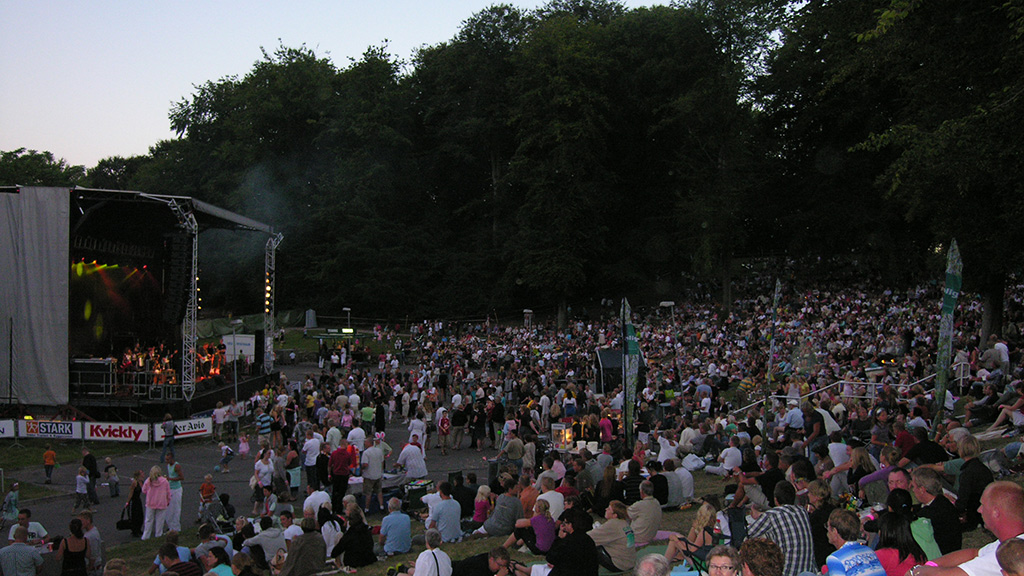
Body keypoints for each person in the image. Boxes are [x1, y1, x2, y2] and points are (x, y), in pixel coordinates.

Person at [915, 481, 1024, 576]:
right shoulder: (1011, 542)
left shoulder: (1013, 555)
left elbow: (949, 574)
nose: (979, 510)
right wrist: (930, 565)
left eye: (983, 505)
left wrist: (916, 571)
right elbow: (975, 553)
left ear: (995, 512)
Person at [746, 482, 815, 576]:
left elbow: (748, 534)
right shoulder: (802, 511)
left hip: (787, 572)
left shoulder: (771, 515)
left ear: (776, 500)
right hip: (809, 571)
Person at [912, 467, 962, 556]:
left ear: (922, 489)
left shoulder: (931, 514)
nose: (913, 490)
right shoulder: (942, 501)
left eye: (914, 486)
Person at [825, 509, 885, 576]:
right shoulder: (869, 551)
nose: (827, 531)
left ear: (834, 531)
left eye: (827, 527)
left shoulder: (835, 559)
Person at [589, 500, 636, 573]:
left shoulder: (613, 524)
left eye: (609, 509)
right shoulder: (623, 522)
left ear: (615, 515)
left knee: (588, 546)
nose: (606, 509)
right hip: (630, 561)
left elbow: (588, 537)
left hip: (620, 565)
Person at [628, 480, 663, 546]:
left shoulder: (639, 505)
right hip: (651, 535)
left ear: (641, 492)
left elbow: (627, 514)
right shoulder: (656, 502)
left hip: (638, 537)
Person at [141, 466, 170, 541]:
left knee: (148, 520)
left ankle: (146, 536)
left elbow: (143, 490)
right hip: (162, 503)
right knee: (160, 521)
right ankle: (158, 535)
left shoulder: (148, 481)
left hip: (150, 503)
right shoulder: (165, 481)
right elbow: (168, 492)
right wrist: (168, 501)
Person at [361, 437, 386, 514]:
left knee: (368, 493)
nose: (364, 444)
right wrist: (381, 471)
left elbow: (365, 464)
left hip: (369, 475)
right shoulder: (379, 451)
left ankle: (367, 509)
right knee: (379, 492)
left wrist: (361, 469)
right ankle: (381, 506)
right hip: (378, 474)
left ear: (369, 443)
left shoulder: (366, 453)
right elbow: (382, 462)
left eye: (365, 442)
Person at [164, 453, 184, 533]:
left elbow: (181, 477)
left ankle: (176, 527)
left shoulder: (177, 466)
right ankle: (170, 527)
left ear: (172, 459)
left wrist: (170, 479)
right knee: (169, 509)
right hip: (170, 488)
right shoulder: (168, 465)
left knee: (176, 508)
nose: (166, 461)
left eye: (168, 459)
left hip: (176, 489)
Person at [78, 511, 103, 576]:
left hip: (94, 570)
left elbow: (93, 555)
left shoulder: (91, 536)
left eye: (81, 521)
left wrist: (89, 569)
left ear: (88, 520)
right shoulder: (93, 531)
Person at [126, 470, 144, 537]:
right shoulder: (134, 483)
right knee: (135, 516)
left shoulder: (141, 482)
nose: (143, 474)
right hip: (134, 501)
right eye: (142, 473)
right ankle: (135, 530)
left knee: (140, 515)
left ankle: (139, 529)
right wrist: (127, 502)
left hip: (138, 500)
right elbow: (131, 493)